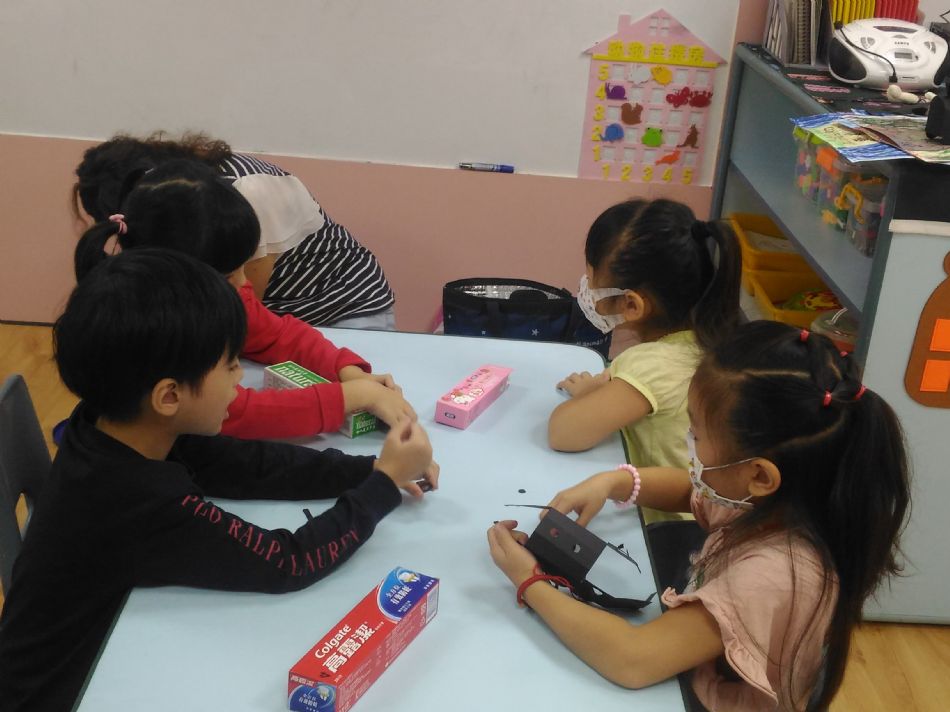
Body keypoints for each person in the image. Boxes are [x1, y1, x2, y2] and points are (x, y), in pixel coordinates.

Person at [0, 250, 439, 712]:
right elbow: (288, 562)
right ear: (169, 396)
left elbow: (247, 465)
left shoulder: (114, 425)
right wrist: (383, 485)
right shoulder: (135, 500)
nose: (239, 377)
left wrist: (366, 469)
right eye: (229, 364)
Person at [489, 320, 910, 711]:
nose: (688, 442)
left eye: (697, 433)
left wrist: (530, 582)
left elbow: (633, 659)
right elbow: (692, 491)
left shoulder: (773, 574)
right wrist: (615, 482)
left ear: (759, 475)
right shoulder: (769, 503)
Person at [73, 159, 413, 441]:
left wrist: (347, 371)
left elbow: (277, 335)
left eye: (244, 266)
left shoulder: (206, 292)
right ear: (174, 273)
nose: (244, 283)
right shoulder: (154, 331)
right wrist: (351, 397)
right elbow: (240, 413)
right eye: (228, 275)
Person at [73, 130, 396, 328]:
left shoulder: (241, 191)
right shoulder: (174, 201)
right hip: (270, 321)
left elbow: (245, 302)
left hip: (342, 310)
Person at [548, 199, 741, 523]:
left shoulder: (652, 363)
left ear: (632, 305)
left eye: (591, 280)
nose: (586, 288)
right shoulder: (708, 341)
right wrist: (606, 387)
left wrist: (589, 397)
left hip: (668, 529)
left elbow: (563, 433)